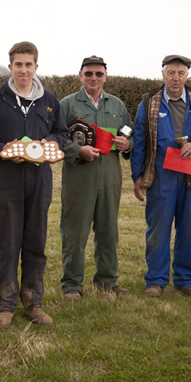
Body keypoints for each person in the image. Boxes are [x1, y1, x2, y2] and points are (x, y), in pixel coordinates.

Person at [0, 41, 69, 328]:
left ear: (36, 67)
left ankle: (33, 302)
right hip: (6, 181)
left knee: (35, 242)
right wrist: (5, 150)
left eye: (29, 65)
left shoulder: (49, 100)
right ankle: (5, 303)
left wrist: (50, 143)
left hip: (40, 181)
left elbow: (61, 133)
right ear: (10, 66)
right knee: (8, 243)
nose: (23, 70)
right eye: (18, 64)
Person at [131, 55, 191, 298]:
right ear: (163, 74)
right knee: (158, 229)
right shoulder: (148, 102)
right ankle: (156, 281)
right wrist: (136, 175)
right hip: (161, 176)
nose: (176, 78)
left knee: (188, 229)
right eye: (171, 72)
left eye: (181, 73)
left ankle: (185, 280)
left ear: (187, 76)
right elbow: (139, 140)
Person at [59, 55, 133, 302]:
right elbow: (55, 138)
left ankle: (107, 281)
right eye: (88, 73)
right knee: (75, 232)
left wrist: (126, 144)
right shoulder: (68, 105)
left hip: (110, 175)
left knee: (108, 231)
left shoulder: (117, 106)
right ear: (80, 75)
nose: (93, 78)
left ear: (105, 77)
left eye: (98, 74)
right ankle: (72, 284)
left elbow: (129, 134)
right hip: (79, 176)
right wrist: (76, 150)